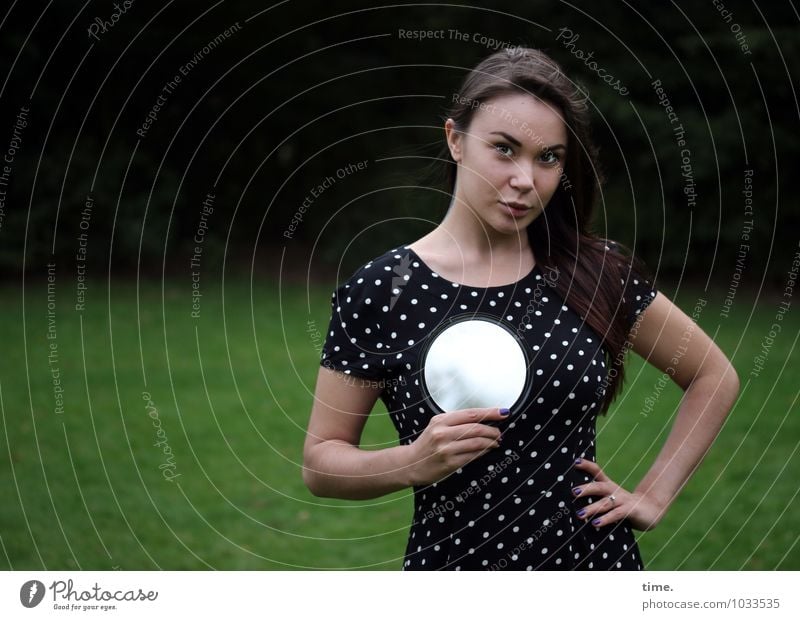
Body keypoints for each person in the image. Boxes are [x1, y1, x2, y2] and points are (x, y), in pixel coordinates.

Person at [302, 47, 739, 570]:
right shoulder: (381, 290)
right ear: (455, 140)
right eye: (504, 149)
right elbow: (322, 461)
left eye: (548, 158)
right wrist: (411, 462)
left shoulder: (595, 272)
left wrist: (653, 494)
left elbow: (713, 374)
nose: (526, 179)